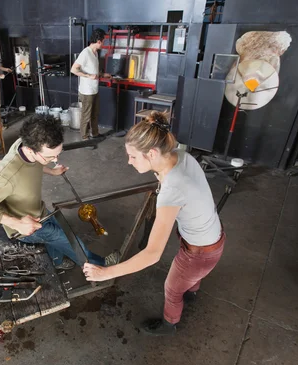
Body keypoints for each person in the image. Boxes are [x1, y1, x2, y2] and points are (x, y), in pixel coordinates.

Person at [83, 112, 225, 336]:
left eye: (132, 157)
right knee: (190, 276)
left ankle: (170, 323)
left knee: (172, 287)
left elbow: (152, 254)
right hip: (210, 236)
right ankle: (191, 292)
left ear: (151, 153)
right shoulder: (180, 155)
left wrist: (107, 273)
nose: (128, 161)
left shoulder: (172, 191)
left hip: (200, 251)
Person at [0, 115, 117, 270]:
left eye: (57, 154)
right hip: (26, 227)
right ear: (30, 149)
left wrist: (51, 171)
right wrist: (17, 223)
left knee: (58, 234)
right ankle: (100, 266)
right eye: (49, 157)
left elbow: (33, 164)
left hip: (39, 211)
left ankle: (58, 262)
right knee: (71, 241)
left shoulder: (25, 144)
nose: (55, 159)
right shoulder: (7, 173)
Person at [71, 28, 111, 140]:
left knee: (95, 114)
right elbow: (73, 70)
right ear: (98, 41)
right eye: (103, 41)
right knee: (86, 115)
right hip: (86, 91)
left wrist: (103, 74)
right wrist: (88, 76)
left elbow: (93, 71)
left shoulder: (95, 53)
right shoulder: (85, 53)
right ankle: (84, 137)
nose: (103, 43)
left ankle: (95, 134)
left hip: (94, 90)